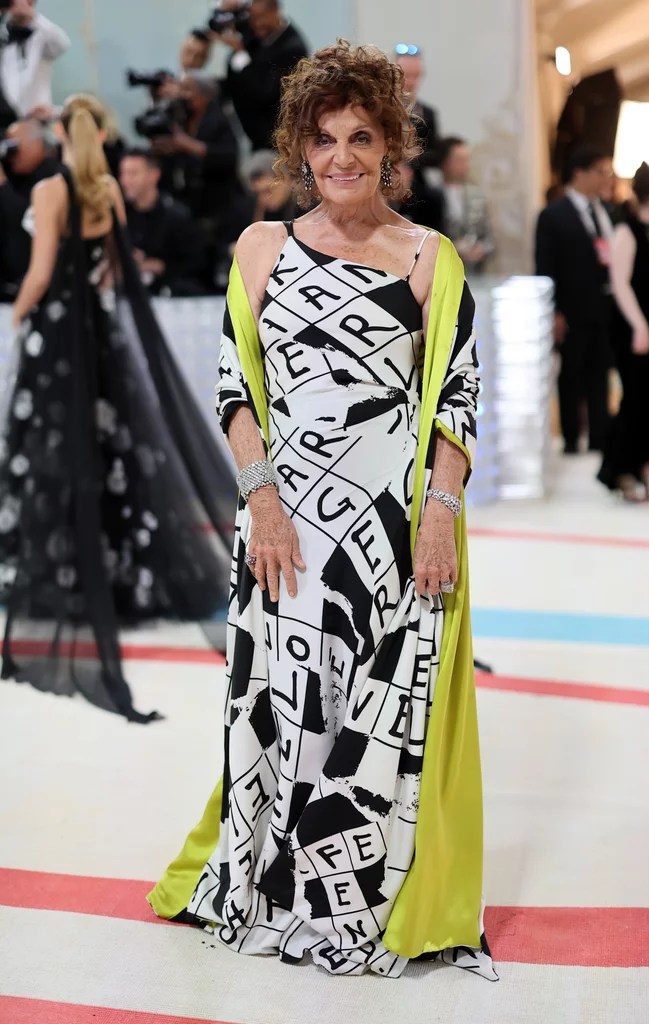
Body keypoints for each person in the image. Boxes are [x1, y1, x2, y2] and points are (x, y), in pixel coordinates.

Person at [149, 40, 496, 983]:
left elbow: (456, 396)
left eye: (361, 138)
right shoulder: (261, 247)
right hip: (283, 523)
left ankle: (355, 894)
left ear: (391, 149)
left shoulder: (428, 258)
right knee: (286, 701)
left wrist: (436, 515)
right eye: (324, 139)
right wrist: (260, 501)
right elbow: (235, 388)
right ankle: (272, 880)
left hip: (389, 528)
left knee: (376, 711)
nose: (341, 156)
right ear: (300, 150)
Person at [0, 94, 235, 721]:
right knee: (112, 452)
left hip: (57, 338)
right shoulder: (105, 191)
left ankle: (62, 576)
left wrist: (18, 316)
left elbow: (40, 272)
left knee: (53, 452)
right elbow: (113, 269)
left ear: (59, 132)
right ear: (102, 135)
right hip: (98, 337)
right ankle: (116, 572)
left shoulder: (50, 190)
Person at [598, 164, 649, 501]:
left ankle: (645, 468)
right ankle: (622, 471)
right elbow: (620, 284)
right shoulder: (627, 230)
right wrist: (639, 325)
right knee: (635, 399)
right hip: (632, 329)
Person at [535, 144, 615, 454]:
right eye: (600, 172)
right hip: (571, 309)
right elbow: (545, 267)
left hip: (604, 308)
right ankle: (571, 439)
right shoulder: (553, 215)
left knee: (600, 374)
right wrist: (554, 312)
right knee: (571, 374)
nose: (605, 178)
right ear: (579, 173)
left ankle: (600, 438)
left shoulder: (606, 211)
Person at [152, 72, 248, 289]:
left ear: (205, 95)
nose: (183, 95)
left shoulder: (219, 120)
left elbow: (228, 156)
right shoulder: (182, 117)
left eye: (188, 90)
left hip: (222, 204)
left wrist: (187, 145)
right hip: (193, 203)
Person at [217, 0, 308, 150]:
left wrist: (240, 53)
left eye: (261, 17)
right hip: (250, 137)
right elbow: (234, 75)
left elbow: (265, 91)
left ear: (275, 11)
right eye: (253, 18)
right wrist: (229, 12)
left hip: (276, 142)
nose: (257, 24)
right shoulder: (254, 37)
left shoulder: (293, 48)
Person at [119, 148, 205, 296]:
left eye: (133, 174)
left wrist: (161, 266)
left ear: (154, 175)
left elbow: (197, 262)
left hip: (170, 294)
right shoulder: (120, 215)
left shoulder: (176, 216)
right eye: (123, 173)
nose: (126, 181)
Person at [0, 117, 59, 300]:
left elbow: (29, 220)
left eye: (15, 147)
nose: (11, 155)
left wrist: (2, 184)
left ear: (36, 144)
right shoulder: (15, 174)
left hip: (38, 287)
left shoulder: (53, 176)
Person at [0, 0, 69, 118]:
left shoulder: (42, 35)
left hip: (38, 115)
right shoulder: (5, 37)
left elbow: (62, 45)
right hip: (7, 116)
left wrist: (32, 15)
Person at [439, 136, 495, 275]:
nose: (466, 165)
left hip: (473, 273)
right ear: (445, 162)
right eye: (459, 160)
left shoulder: (477, 196)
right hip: (442, 272)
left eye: (467, 160)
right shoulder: (431, 196)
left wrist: (480, 249)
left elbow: (490, 241)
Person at [394, 43, 440, 168]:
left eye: (416, 76)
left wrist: (414, 157)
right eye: (407, 75)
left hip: (416, 177)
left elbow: (435, 155)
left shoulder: (427, 113)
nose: (411, 82)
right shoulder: (382, 110)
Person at [244, 147, 299, 222]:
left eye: (268, 190)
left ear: (284, 178)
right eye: (257, 194)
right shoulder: (264, 213)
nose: (263, 200)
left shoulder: (306, 205)